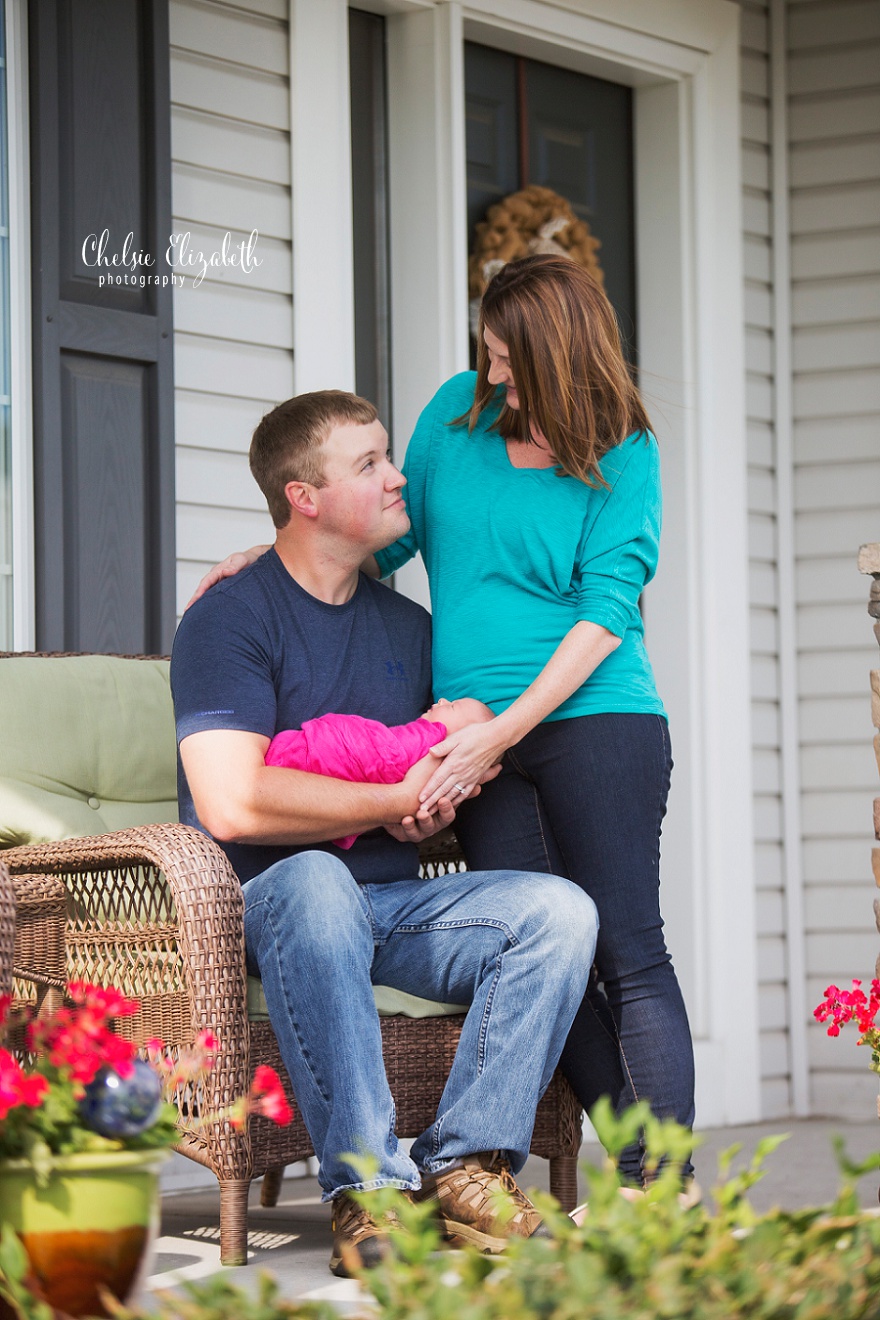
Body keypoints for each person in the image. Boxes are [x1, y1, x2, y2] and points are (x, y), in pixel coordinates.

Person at [190, 254, 696, 1189]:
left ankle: (662, 1187)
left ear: (554, 354)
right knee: (559, 937)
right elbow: (385, 532)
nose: (492, 373)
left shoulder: (623, 448)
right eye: (488, 353)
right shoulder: (456, 416)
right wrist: (273, 556)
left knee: (626, 944)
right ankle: (620, 1169)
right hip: (474, 737)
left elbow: (609, 606)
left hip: (594, 715)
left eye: (507, 358)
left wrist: (501, 732)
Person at [171, 388, 599, 1277]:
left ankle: (467, 1168)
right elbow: (232, 804)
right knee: (318, 883)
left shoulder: (410, 628)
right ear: (305, 497)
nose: (399, 474)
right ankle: (365, 1190)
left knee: (557, 911)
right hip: (256, 908)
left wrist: (433, 797)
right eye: (368, 463)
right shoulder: (230, 615)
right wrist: (387, 798)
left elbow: (430, 769)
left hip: (387, 907)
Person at [265, 697, 494, 848]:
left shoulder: (429, 741)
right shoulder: (422, 745)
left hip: (312, 757)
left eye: (453, 706)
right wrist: (402, 799)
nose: (442, 700)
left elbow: (386, 756)